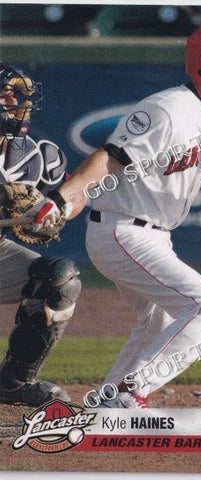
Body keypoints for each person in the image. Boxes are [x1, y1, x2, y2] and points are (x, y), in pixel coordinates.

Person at [30, 24, 201, 408]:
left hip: (155, 237)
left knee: (158, 320)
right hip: (122, 231)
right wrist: (60, 200)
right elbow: (108, 158)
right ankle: (129, 391)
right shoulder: (167, 109)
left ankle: (110, 400)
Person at [0, 64, 81, 406]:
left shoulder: (35, 156)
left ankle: (14, 382)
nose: (14, 102)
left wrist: (56, 211)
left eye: (17, 95)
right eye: (4, 95)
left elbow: (75, 195)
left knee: (60, 280)